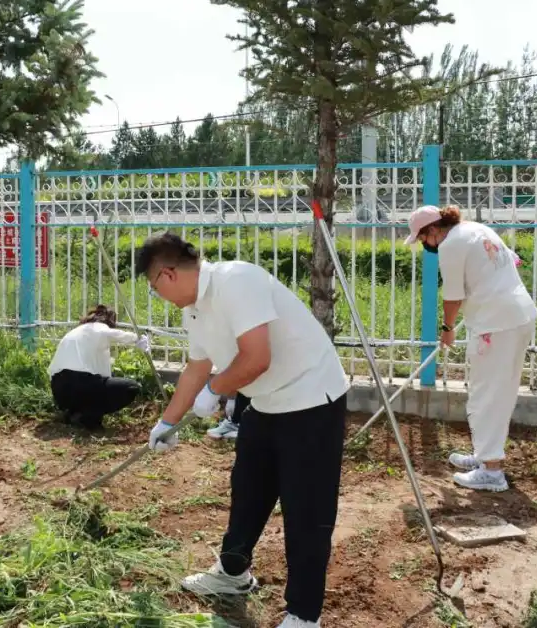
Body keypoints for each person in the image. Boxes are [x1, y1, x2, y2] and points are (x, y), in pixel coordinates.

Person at [138, 232, 347, 628]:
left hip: (311, 400)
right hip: (266, 403)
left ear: (166, 274)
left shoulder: (237, 281)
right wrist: (168, 420)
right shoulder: (195, 310)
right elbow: (196, 368)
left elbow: (257, 357)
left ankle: (304, 615)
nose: (158, 295)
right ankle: (233, 573)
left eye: (153, 288)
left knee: (306, 510)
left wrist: (215, 392)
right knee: (248, 492)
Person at [405, 205, 537, 492]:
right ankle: (484, 456)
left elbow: (452, 296)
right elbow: (513, 263)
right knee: (493, 391)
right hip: (514, 316)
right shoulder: (476, 229)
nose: (424, 245)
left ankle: (491, 471)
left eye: (421, 239)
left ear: (432, 231)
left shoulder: (451, 244)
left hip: (497, 325)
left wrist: (447, 328)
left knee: (486, 395)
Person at [47, 304, 150, 430]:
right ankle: (87, 418)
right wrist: (137, 339)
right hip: (81, 384)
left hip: (59, 389)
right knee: (131, 387)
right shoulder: (99, 328)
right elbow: (113, 335)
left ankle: (74, 413)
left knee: (94, 385)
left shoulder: (76, 332)